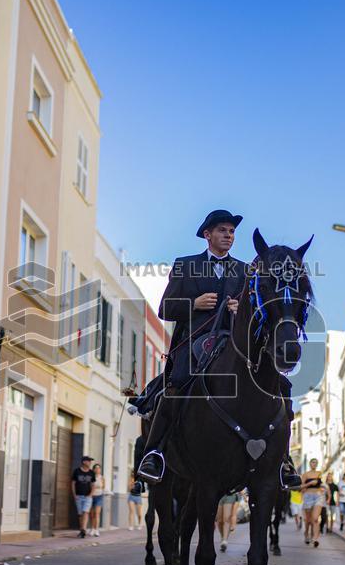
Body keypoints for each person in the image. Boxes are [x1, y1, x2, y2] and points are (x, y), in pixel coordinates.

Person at [135, 209, 300, 489]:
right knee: (175, 384)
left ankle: (283, 460)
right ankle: (155, 452)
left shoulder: (247, 270)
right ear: (207, 235)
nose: (228, 235)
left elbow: (261, 309)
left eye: (232, 231)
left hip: (236, 342)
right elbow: (165, 308)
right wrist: (194, 303)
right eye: (222, 230)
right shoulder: (185, 265)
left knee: (280, 385)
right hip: (195, 342)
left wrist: (242, 309)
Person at [300, 459, 324, 547]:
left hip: (318, 496)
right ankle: (306, 534)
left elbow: (322, 484)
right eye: (312, 462)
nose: (314, 464)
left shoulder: (319, 473)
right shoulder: (306, 474)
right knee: (308, 520)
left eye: (316, 462)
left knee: (315, 518)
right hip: (308, 496)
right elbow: (301, 487)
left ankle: (315, 539)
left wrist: (324, 489)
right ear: (310, 464)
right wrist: (309, 483)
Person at [72, 456, 96, 538]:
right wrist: (74, 495)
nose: (90, 463)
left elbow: (93, 485)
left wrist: (91, 495)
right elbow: (73, 483)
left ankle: (84, 530)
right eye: (89, 461)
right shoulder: (77, 471)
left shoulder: (91, 473)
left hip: (88, 496)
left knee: (86, 512)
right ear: (84, 462)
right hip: (78, 496)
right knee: (80, 514)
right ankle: (81, 529)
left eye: (90, 461)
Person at [88, 463, 104, 537]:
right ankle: (92, 528)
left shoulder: (102, 478)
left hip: (99, 496)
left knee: (97, 514)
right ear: (93, 469)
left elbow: (103, 487)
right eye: (96, 468)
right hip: (91, 496)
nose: (97, 469)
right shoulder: (91, 477)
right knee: (92, 514)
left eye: (99, 468)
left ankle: (96, 530)